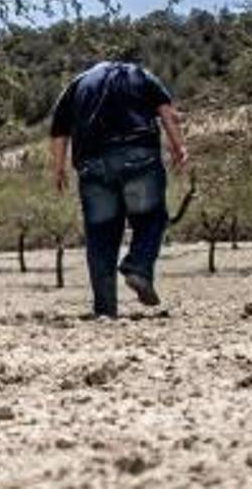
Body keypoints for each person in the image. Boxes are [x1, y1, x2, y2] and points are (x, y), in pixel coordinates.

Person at [50, 61, 188, 319]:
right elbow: (166, 112)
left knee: (100, 236)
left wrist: (58, 169)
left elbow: (59, 130)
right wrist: (178, 147)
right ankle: (138, 266)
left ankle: (105, 310)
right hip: (138, 156)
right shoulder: (140, 75)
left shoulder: (77, 84)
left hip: (92, 165)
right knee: (151, 217)